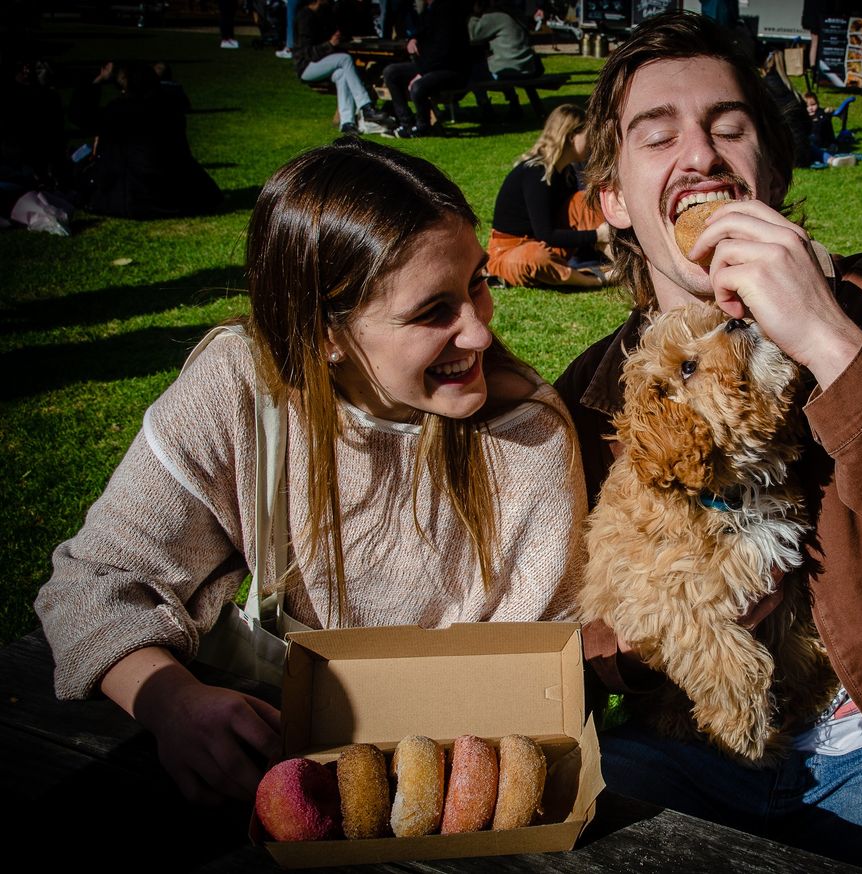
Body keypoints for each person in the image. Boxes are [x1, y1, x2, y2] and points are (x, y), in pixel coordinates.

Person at [553, 11, 862, 871]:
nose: (702, 157)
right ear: (612, 197)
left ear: (773, 169)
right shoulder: (592, 399)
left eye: (729, 127)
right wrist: (666, 639)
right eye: (658, 136)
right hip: (687, 752)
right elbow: (559, 634)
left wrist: (833, 344)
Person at [34, 137, 586, 804]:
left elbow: (532, 672)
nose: (479, 332)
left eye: (477, 283)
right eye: (433, 311)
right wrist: (172, 704)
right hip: (257, 769)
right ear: (323, 335)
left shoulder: (528, 433)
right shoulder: (240, 386)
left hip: (460, 782)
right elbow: (94, 583)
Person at [70, 60, 222, 219]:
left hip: (137, 198)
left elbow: (80, 115)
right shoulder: (168, 108)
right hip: (174, 196)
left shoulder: (120, 111)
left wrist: (98, 80)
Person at [487, 103, 614, 289]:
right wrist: (596, 235)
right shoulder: (536, 173)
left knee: (583, 201)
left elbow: (568, 222)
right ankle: (593, 280)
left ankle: (624, 265)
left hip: (545, 243)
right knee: (537, 257)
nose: (592, 143)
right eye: (588, 136)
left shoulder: (566, 172)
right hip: (510, 251)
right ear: (571, 137)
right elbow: (546, 234)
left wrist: (600, 235)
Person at [294, 0, 395, 134]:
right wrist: (330, 44)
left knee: (341, 74)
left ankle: (347, 123)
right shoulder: (305, 16)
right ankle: (366, 106)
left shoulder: (324, 12)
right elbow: (307, 53)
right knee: (345, 59)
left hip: (322, 62)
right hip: (306, 67)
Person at [381, 0, 473, 138]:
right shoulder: (429, 11)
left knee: (418, 87)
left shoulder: (448, 11)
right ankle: (406, 123)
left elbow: (444, 52)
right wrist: (413, 39)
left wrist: (422, 73)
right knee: (391, 72)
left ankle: (422, 127)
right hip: (430, 65)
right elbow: (425, 35)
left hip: (452, 69)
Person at [468, 0, 544, 122]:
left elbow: (472, 34)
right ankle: (513, 101)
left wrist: (474, 15)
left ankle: (485, 105)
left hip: (511, 68)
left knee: (471, 72)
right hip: (528, 66)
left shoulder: (495, 16)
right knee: (499, 67)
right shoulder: (515, 13)